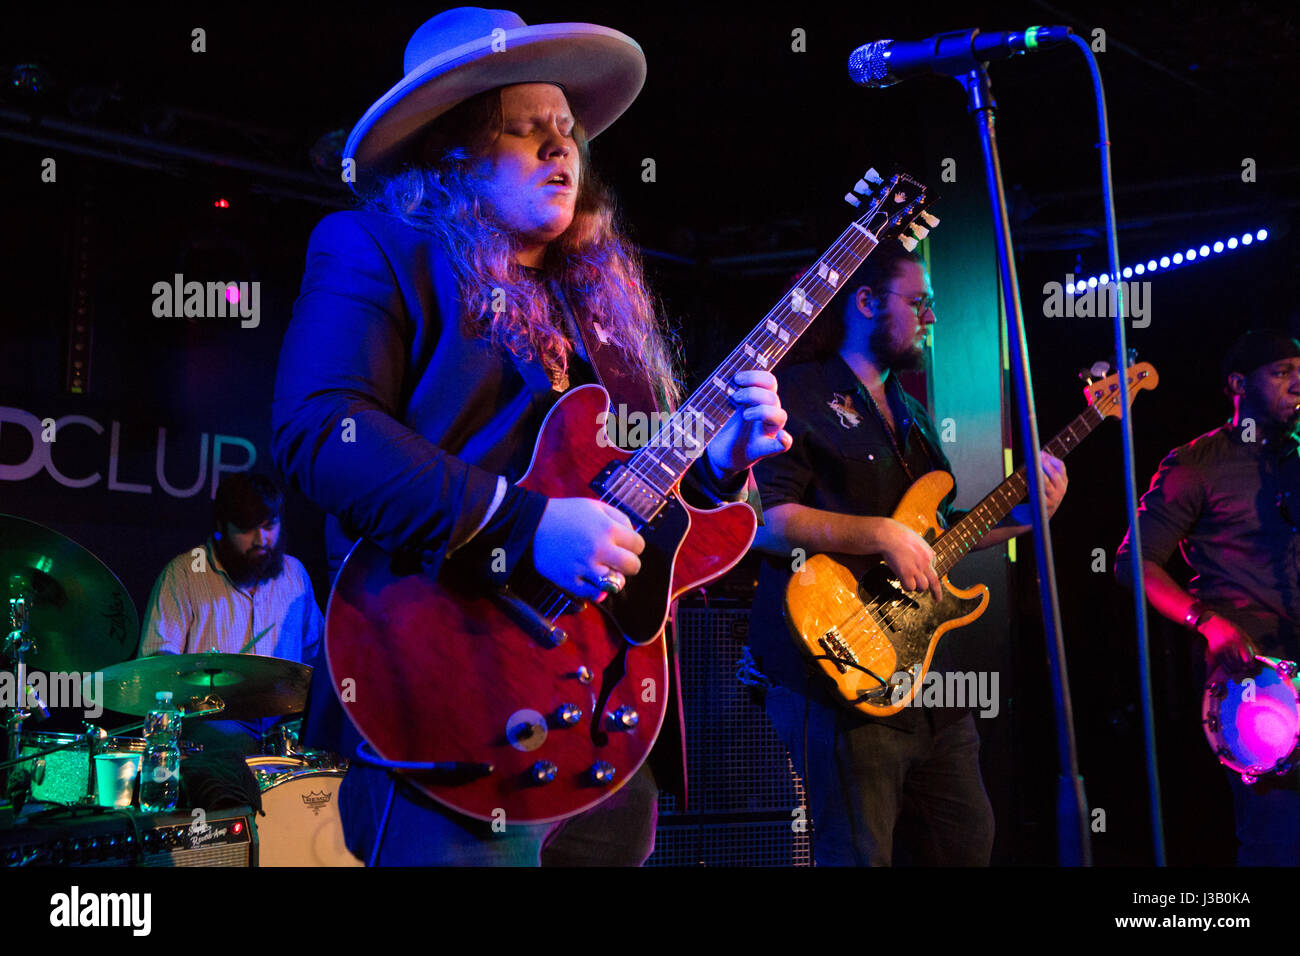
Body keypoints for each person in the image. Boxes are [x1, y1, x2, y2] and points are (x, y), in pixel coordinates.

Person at [271, 7, 790, 866]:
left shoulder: (605, 297)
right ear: (451, 150)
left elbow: (640, 513)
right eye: (524, 130)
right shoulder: (373, 246)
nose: (562, 150)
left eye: (567, 130)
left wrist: (719, 469)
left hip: (607, 724)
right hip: (444, 700)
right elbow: (325, 432)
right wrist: (525, 526)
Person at [745, 242, 1067, 865]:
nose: (931, 317)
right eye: (919, 302)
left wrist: (1025, 519)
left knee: (968, 843)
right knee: (859, 855)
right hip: (834, 671)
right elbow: (765, 522)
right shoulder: (797, 393)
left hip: (926, 683)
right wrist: (881, 535)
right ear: (865, 302)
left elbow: (938, 539)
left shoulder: (914, 414)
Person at [1116, 328, 1300, 865]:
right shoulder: (1197, 463)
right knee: (1278, 838)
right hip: (1254, 674)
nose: (1297, 384)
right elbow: (1135, 562)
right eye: (1282, 372)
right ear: (1239, 384)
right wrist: (1206, 622)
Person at [139, 471, 324, 754]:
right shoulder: (186, 573)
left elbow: (316, 655)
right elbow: (157, 669)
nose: (262, 539)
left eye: (270, 525)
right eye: (247, 529)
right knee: (231, 745)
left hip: (285, 725)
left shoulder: (294, 574)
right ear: (222, 527)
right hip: (213, 725)